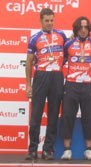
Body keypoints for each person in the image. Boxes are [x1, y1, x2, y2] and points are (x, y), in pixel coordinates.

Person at [25, 8, 67, 160]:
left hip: (57, 76)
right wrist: (28, 85)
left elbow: (70, 52)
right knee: (36, 114)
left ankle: (48, 150)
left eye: (51, 20)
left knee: (53, 115)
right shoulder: (34, 38)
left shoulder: (61, 35)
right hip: (41, 76)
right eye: (46, 20)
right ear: (41, 20)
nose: (49, 23)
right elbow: (29, 62)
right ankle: (32, 149)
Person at [59, 16, 91, 160]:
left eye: (86, 27)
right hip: (71, 84)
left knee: (90, 117)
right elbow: (59, 59)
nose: (83, 30)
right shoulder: (68, 44)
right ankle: (67, 150)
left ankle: (89, 150)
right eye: (80, 27)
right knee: (67, 116)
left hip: (88, 85)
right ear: (76, 28)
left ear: (89, 29)